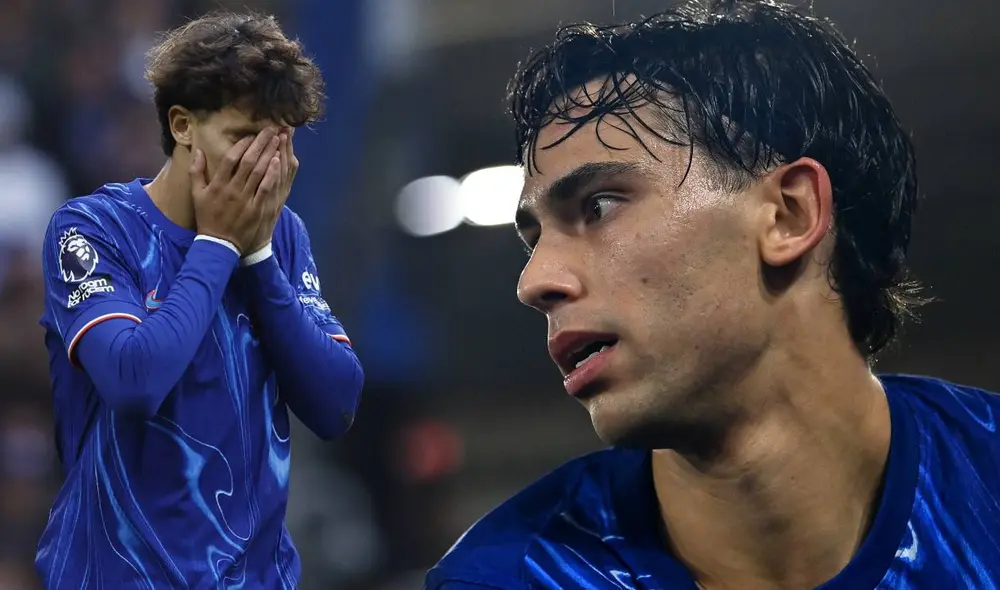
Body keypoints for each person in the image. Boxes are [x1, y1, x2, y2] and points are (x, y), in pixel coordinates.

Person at [426, 1, 1000, 589]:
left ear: (788, 214)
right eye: (534, 240)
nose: (534, 282)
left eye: (598, 206)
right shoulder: (509, 578)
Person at [36, 11, 364, 588]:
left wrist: (258, 257)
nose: (261, 168)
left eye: (278, 142)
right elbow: (133, 379)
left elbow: (336, 404)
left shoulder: (282, 236)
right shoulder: (92, 229)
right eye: (242, 139)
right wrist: (217, 244)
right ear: (183, 125)